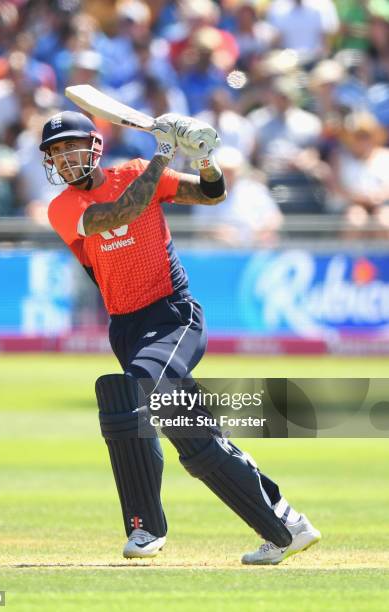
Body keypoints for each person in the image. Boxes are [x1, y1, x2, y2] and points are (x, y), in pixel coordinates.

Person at [40, 109, 321, 565]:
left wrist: (206, 159)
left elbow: (212, 193)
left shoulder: (132, 171)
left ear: (94, 146)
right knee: (194, 438)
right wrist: (165, 152)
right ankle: (287, 524)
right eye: (55, 151)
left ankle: (147, 528)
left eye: (72, 145)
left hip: (173, 317)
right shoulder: (63, 207)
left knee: (132, 391)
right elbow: (119, 213)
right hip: (126, 327)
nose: (65, 156)